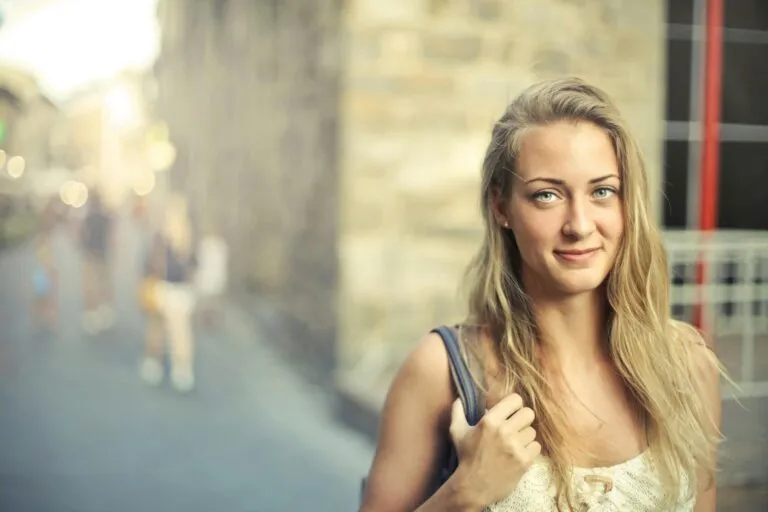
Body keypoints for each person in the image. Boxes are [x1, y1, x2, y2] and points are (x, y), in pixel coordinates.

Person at [360, 78, 725, 511]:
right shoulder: (440, 372)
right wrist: (466, 492)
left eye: (602, 191)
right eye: (547, 195)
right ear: (501, 207)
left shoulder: (686, 367)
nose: (580, 225)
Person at [139, 193, 198, 393]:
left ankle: (175, 367)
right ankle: (171, 366)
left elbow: (190, 265)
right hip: (170, 289)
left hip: (172, 289)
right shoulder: (167, 236)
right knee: (164, 329)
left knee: (174, 331)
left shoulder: (183, 237)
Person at [79, 189, 115, 334]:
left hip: (91, 254)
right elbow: (112, 237)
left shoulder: (87, 216)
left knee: (90, 285)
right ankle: (104, 312)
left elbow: (82, 234)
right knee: (103, 284)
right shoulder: (106, 216)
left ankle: (92, 314)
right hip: (102, 254)